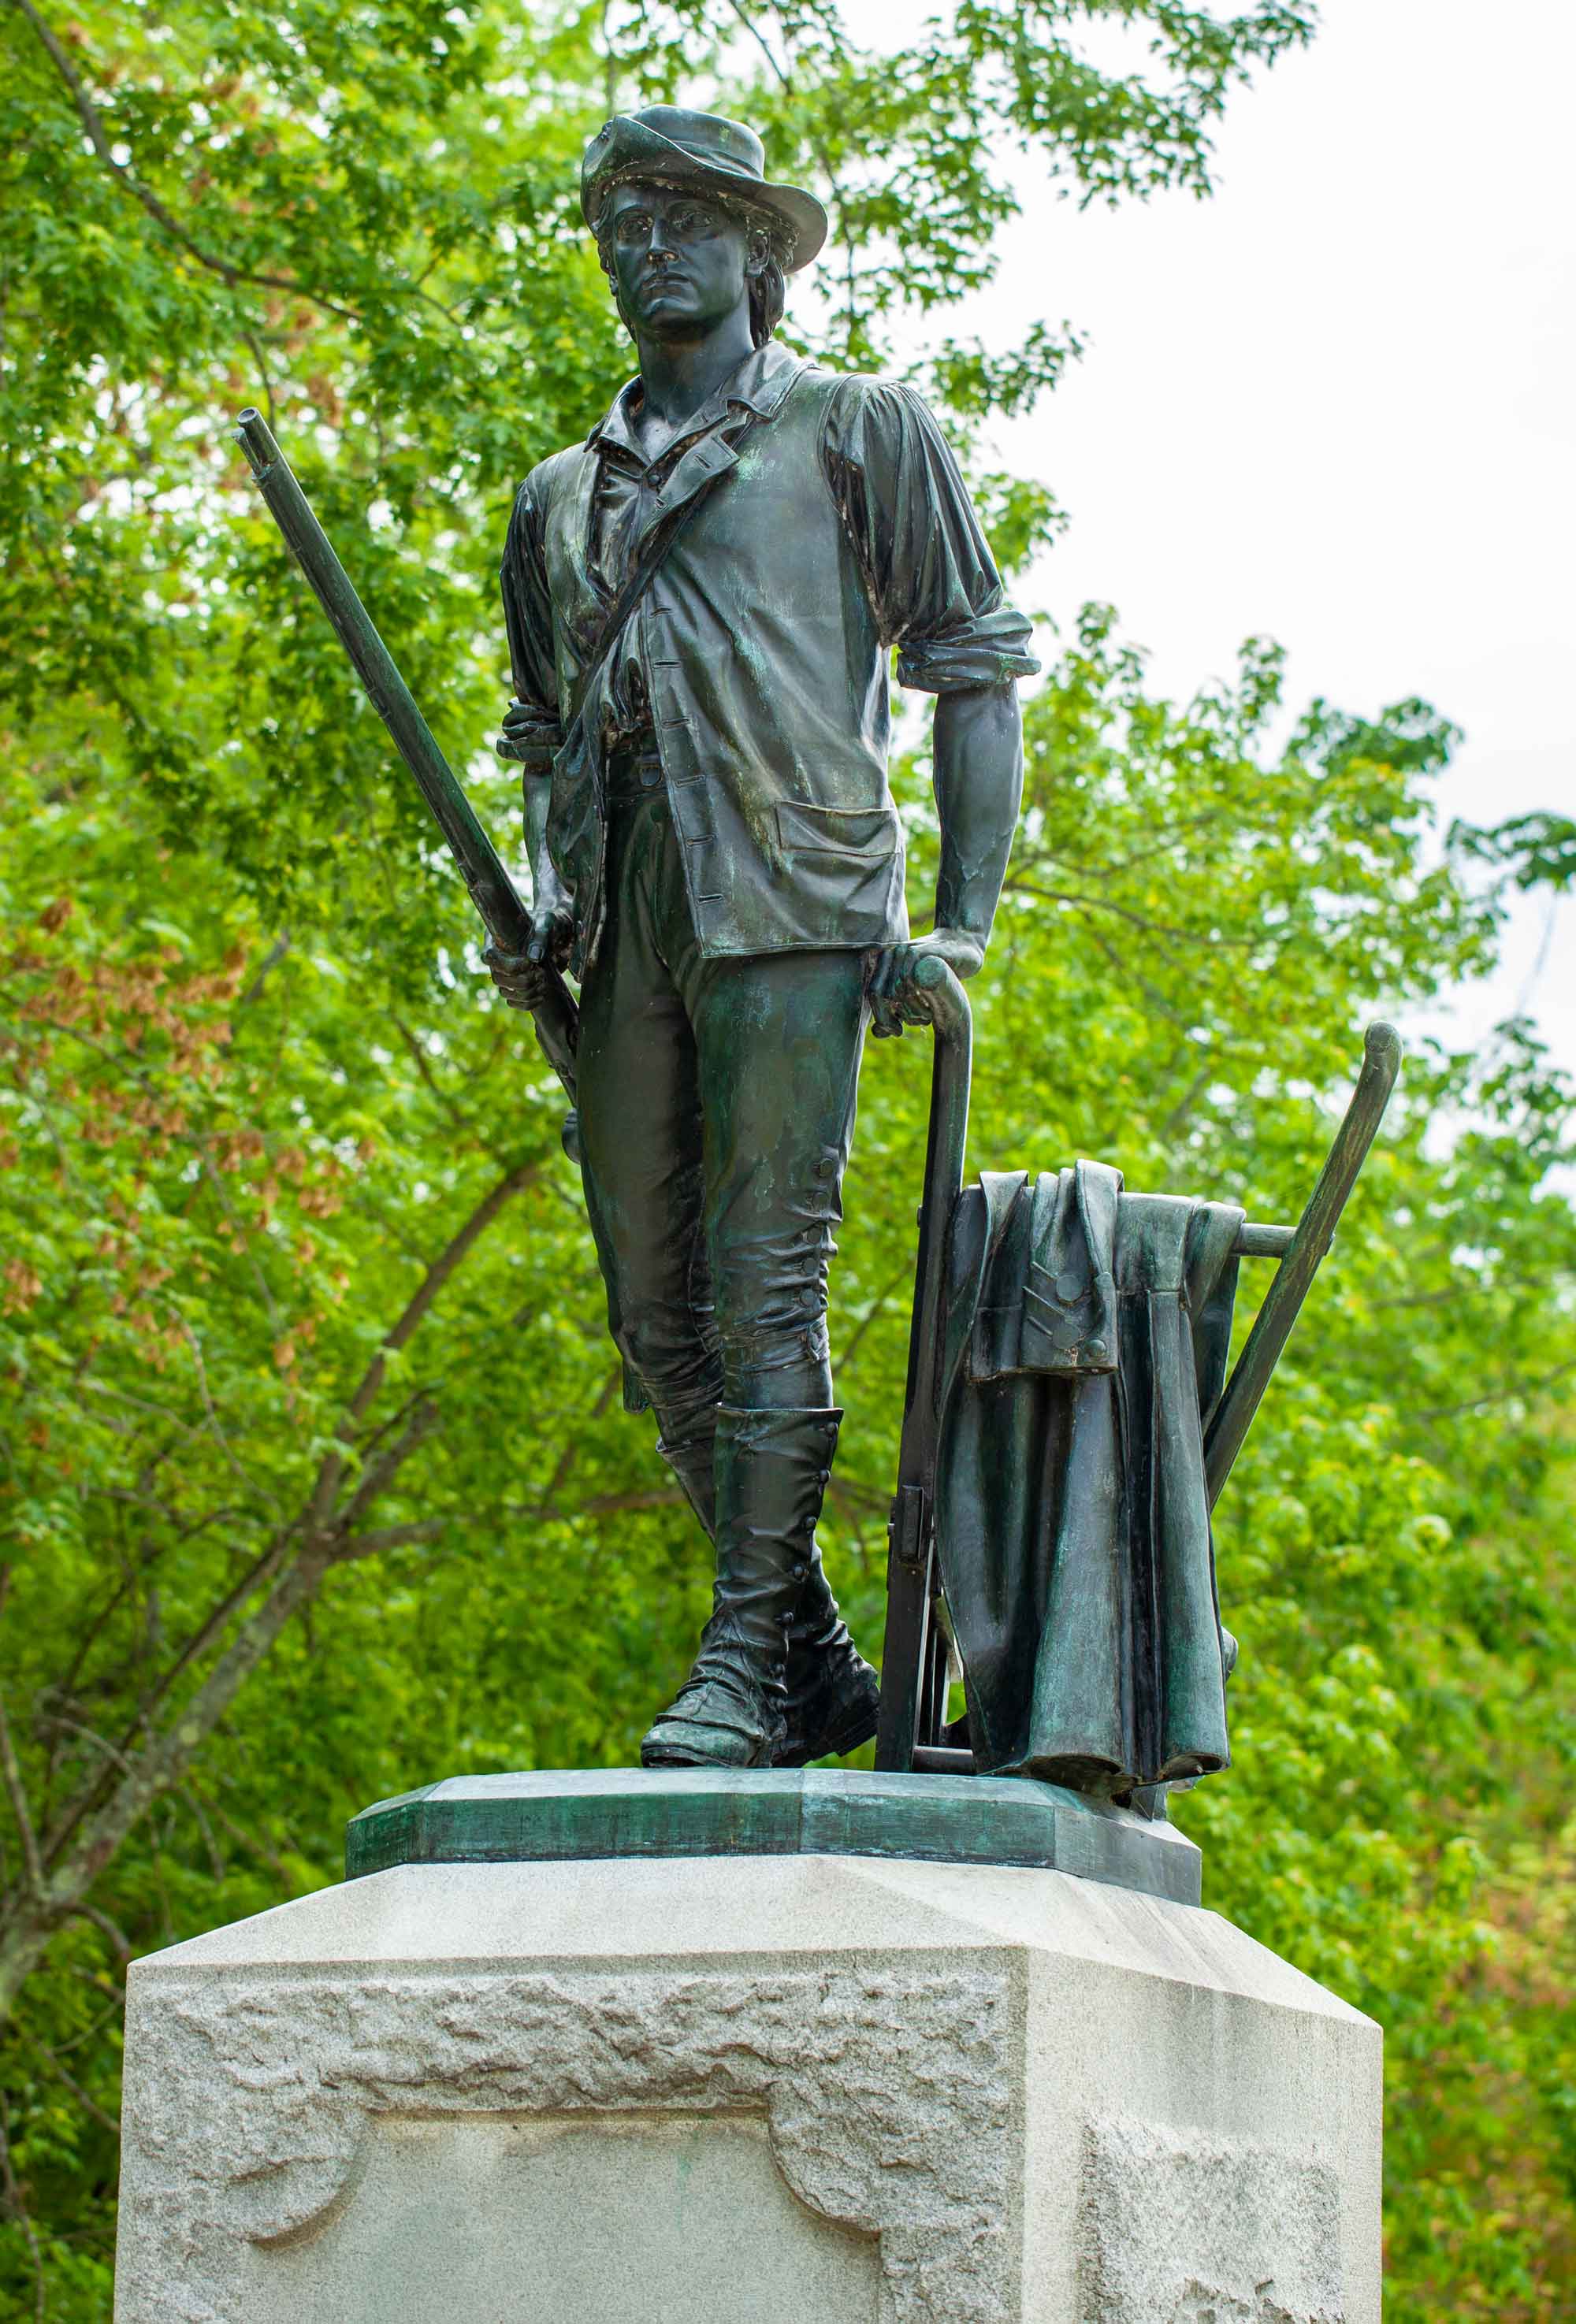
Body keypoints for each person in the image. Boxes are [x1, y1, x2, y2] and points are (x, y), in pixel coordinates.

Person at [485, 105, 1036, 1769]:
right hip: (628, 909)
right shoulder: (554, 496)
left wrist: (956, 923)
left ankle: (743, 1652)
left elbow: (973, 663)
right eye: (620, 222)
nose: (645, 245)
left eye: (678, 216)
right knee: (649, 1309)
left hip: (795, 895)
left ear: (755, 250)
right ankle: (801, 1640)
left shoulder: (854, 428)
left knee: (761, 1285)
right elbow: (540, 724)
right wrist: (543, 898)